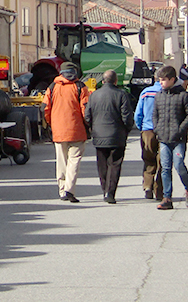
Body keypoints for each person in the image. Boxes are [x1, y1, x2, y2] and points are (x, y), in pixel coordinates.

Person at [83, 70, 134, 204]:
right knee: (115, 164)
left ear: (103, 81)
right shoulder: (121, 95)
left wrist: (93, 128)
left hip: (99, 135)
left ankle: (104, 189)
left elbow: (87, 115)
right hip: (117, 135)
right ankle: (110, 192)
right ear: (115, 81)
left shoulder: (94, 95)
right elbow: (127, 117)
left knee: (102, 165)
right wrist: (126, 129)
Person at [151, 65, 188, 210]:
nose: (161, 83)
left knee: (178, 164)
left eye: (164, 80)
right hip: (163, 138)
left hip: (178, 139)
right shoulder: (159, 95)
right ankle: (167, 197)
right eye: (159, 80)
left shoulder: (183, 95)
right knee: (165, 168)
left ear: (172, 79)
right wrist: (157, 128)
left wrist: (181, 129)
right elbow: (155, 114)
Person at [43, 61, 89, 203]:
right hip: (77, 130)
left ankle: (62, 191)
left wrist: (52, 124)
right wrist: (88, 125)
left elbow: (45, 108)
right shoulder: (80, 87)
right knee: (74, 161)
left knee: (61, 161)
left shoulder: (52, 87)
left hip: (58, 131)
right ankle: (70, 189)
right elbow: (85, 109)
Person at [133, 77, 163, 200]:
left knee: (148, 158)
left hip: (147, 129)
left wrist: (141, 127)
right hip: (163, 130)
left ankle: (148, 187)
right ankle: (159, 189)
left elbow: (138, 114)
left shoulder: (146, 92)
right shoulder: (166, 92)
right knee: (162, 161)